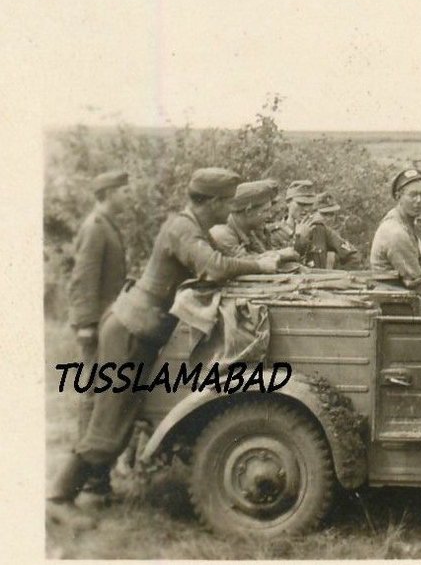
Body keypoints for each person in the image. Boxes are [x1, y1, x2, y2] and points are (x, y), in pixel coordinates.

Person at [47, 168, 284, 527]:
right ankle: (58, 497)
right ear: (216, 202)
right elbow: (214, 267)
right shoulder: (183, 228)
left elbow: (220, 259)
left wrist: (265, 261)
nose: (233, 208)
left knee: (122, 417)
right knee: (109, 421)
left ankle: (95, 491)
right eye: (229, 201)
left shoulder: (190, 225)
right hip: (130, 331)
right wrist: (262, 265)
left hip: (137, 329)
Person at [67, 169, 130, 445]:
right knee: (92, 392)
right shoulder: (95, 227)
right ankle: (84, 467)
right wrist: (85, 325)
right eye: (124, 191)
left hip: (106, 321)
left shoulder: (106, 224)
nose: (129, 196)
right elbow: (83, 278)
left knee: (102, 390)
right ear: (109, 194)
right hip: (95, 325)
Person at [369, 168, 421, 301]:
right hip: (393, 306)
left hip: (399, 301)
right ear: (398, 196)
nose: (418, 200)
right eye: (413, 195)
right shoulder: (395, 232)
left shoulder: (404, 225)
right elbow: (417, 285)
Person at [210, 181, 279, 257]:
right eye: (265, 210)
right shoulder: (222, 234)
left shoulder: (248, 229)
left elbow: (262, 253)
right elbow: (250, 264)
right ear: (248, 211)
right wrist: (280, 255)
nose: (270, 215)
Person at [304, 191, 360, 269]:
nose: (329, 218)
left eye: (332, 214)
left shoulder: (333, 234)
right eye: (324, 214)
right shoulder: (300, 231)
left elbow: (353, 256)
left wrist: (338, 275)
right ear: (312, 213)